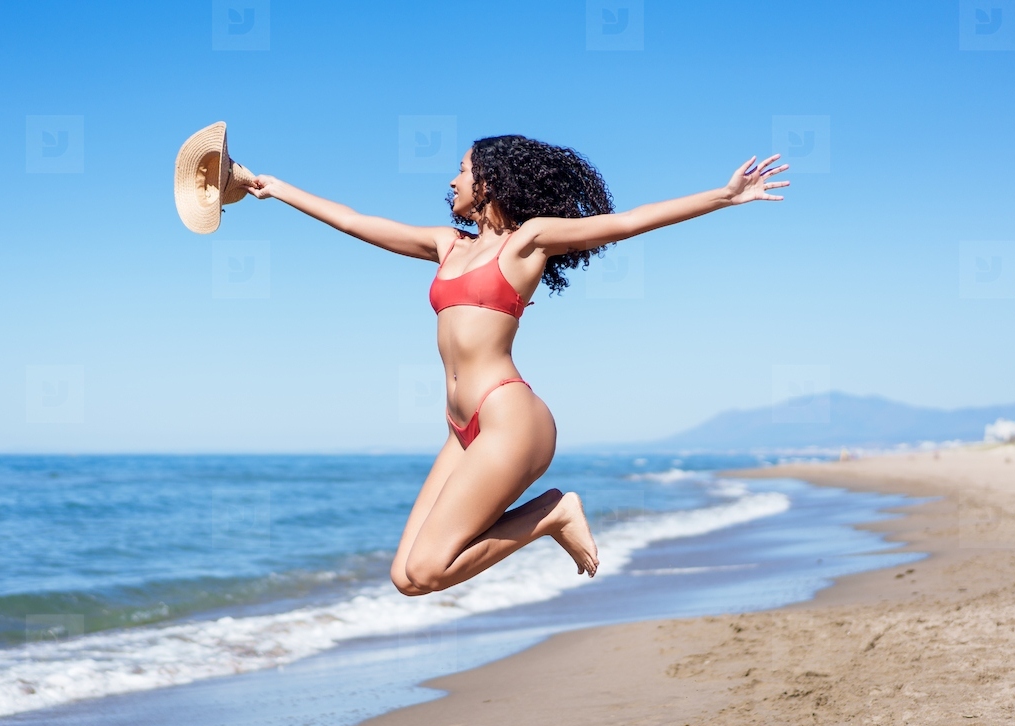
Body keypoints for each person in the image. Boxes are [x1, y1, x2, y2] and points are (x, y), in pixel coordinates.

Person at [245, 136, 789, 596]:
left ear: (490, 182)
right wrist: (276, 188)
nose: (452, 181)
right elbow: (355, 222)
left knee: (431, 566)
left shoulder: (527, 243)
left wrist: (722, 196)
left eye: (461, 170)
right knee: (406, 576)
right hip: (462, 431)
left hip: (509, 418)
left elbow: (623, 223)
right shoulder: (447, 246)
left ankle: (552, 512)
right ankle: (548, 514)